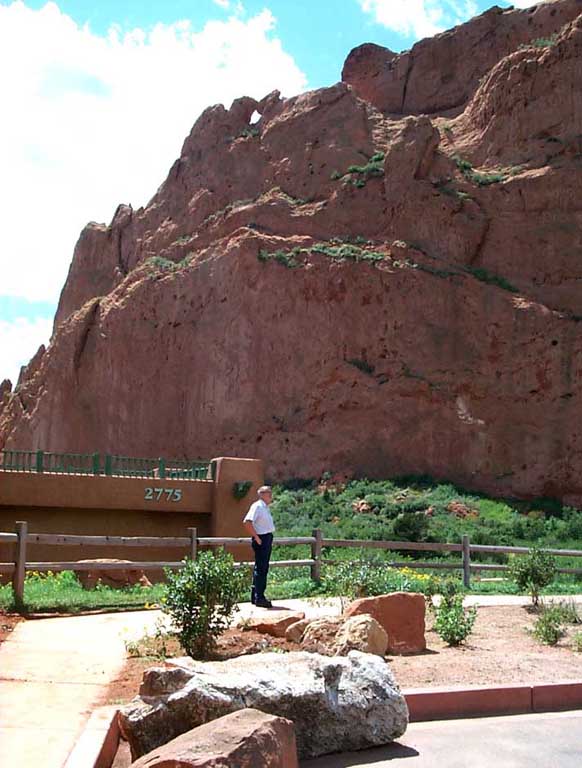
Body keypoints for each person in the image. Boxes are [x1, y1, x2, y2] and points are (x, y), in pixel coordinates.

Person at [243, 485, 275, 608]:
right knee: (261, 569)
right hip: (262, 539)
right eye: (269, 493)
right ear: (262, 494)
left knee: (261, 568)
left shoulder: (264, 507)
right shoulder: (257, 506)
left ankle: (255, 596)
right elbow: (247, 522)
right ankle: (260, 598)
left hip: (266, 538)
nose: (271, 496)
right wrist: (256, 538)